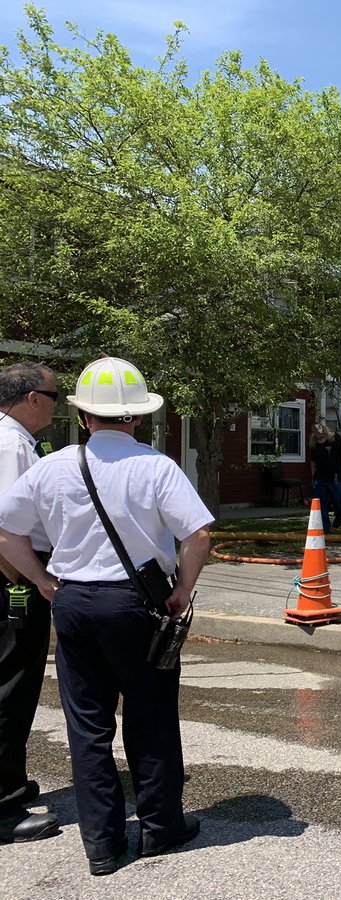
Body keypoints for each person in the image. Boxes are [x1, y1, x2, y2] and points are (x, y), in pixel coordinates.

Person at [0, 356, 213, 876]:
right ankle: (160, 828)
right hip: (138, 601)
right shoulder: (156, 466)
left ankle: (101, 844)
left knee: (88, 723)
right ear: (137, 417)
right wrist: (183, 588)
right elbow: (198, 534)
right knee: (152, 714)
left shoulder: (52, 466)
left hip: (73, 599)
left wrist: (43, 582)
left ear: (84, 416)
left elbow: (6, 530)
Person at [0, 363, 61, 846]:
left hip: (14, 573)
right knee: (10, 687)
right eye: (55, 396)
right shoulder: (10, 444)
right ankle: (3, 808)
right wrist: (30, 580)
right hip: (11, 577)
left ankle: (11, 784)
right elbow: (6, 528)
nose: (58, 406)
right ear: (31, 398)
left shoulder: (13, 440)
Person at [310, 422, 341, 532]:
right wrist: (313, 476)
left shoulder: (335, 438)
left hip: (335, 475)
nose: (319, 436)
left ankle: (339, 514)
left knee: (337, 499)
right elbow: (313, 461)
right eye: (317, 434)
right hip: (320, 477)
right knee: (320, 502)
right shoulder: (314, 444)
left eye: (321, 433)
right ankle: (325, 528)